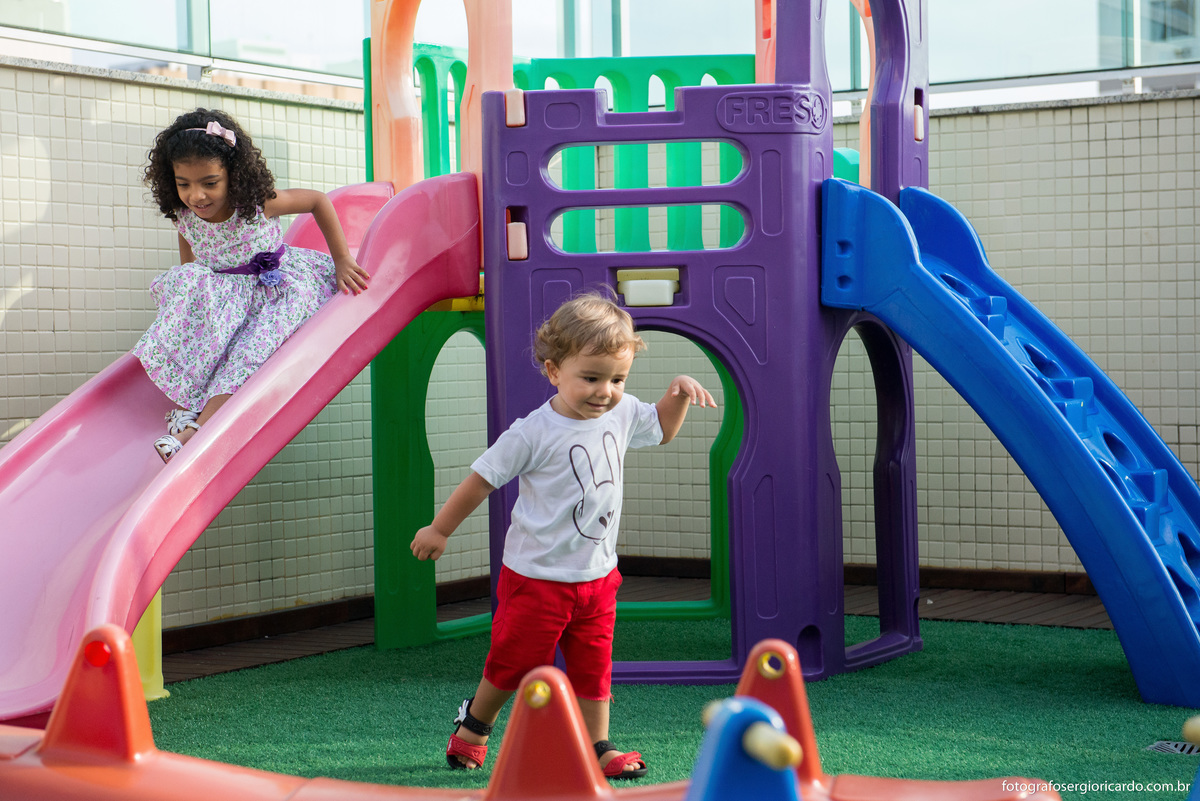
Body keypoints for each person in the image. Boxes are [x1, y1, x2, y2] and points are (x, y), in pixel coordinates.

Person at [410, 291, 717, 779]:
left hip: (598, 577)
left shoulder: (619, 412)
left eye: (617, 379)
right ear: (554, 371)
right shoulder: (533, 432)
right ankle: (475, 725)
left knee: (594, 666)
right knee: (513, 661)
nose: (605, 391)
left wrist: (675, 395)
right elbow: (481, 479)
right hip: (536, 576)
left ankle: (598, 744)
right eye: (590, 378)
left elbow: (660, 428)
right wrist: (439, 529)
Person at [133, 108, 370, 463]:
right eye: (184, 184)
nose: (196, 195)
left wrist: (341, 260)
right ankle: (187, 411)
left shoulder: (258, 205)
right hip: (225, 297)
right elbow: (192, 262)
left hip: (272, 293)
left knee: (245, 358)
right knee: (201, 346)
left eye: (209, 182)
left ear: (233, 174)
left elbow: (318, 201)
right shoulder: (185, 216)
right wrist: (200, 313)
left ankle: (193, 433)